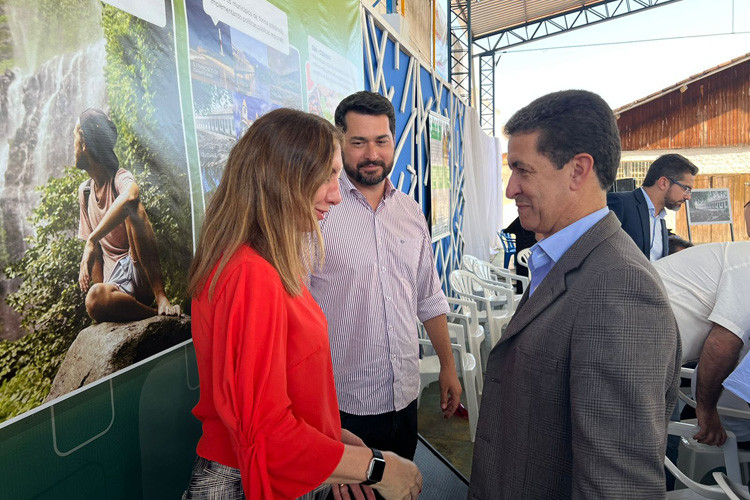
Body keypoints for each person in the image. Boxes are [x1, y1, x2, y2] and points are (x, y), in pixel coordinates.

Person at [184, 108, 422, 499]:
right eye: (327, 176)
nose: (336, 193)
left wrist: (334, 441)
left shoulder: (259, 263)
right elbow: (268, 436)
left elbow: (280, 396)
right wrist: (378, 468)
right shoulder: (250, 272)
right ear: (284, 177)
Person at [469, 90, 681, 499]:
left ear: (578, 170)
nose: (511, 189)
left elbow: (618, 486)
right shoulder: (567, 259)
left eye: (522, 170)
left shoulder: (620, 289)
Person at [309, 92, 461, 466]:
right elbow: (293, 316)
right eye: (358, 142)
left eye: (381, 141)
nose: (372, 154)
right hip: (342, 404)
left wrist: (447, 365)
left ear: (395, 141)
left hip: (405, 396)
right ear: (340, 143)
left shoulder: (410, 211)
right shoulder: (315, 213)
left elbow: (428, 295)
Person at [76, 108, 180, 321]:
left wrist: (92, 239)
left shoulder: (119, 178)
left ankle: (161, 298)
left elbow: (132, 196)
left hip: (138, 270)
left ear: (85, 144)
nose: (72, 146)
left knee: (134, 209)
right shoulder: (85, 192)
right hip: (116, 282)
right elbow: (95, 254)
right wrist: (101, 290)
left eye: (74, 138)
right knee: (94, 297)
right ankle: (153, 316)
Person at [654, 241, 750, 447]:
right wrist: (706, 409)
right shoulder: (747, 263)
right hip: (636, 344)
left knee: (662, 445)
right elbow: (722, 345)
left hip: (655, 352)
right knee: (645, 448)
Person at [607, 154, 698, 261]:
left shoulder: (661, 222)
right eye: (686, 189)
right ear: (663, 183)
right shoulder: (621, 204)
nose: (688, 197)